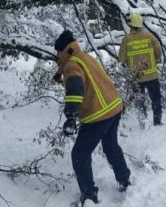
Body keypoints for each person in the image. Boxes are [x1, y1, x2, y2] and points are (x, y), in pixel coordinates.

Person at [54, 30, 131, 204]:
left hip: (98, 115)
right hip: (113, 108)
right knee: (111, 147)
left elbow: (75, 87)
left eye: (58, 52)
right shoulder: (84, 57)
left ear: (63, 50)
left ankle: (89, 195)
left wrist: (71, 116)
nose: (56, 56)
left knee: (79, 154)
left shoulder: (71, 64)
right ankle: (124, 179)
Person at [118, 12, 163, 125]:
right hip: (152, 75)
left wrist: (126, 68)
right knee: (156, 99)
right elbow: (158, 50)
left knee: (139, 101)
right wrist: (156, 60)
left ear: (130, 25)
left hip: (136, 78)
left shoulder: (126, 40)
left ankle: (142, 122)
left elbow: (122, 59)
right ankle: (157, 121)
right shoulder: (149, 36)